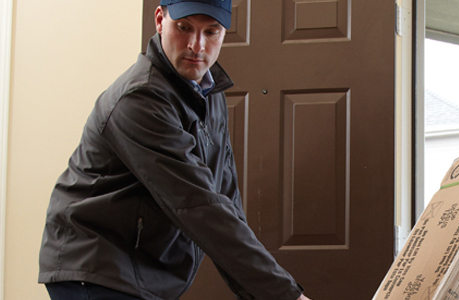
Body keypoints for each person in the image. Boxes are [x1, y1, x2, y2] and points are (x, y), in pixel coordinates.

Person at [38, 1, 311, 299]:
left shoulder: (209, 94)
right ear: (159, 20)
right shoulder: (140, 98)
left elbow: (226, 202)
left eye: (211, 32)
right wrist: (287, 296)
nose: (197, 45)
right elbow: (199, 205)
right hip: (97, 267)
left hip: (141, 272)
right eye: (184, 28)